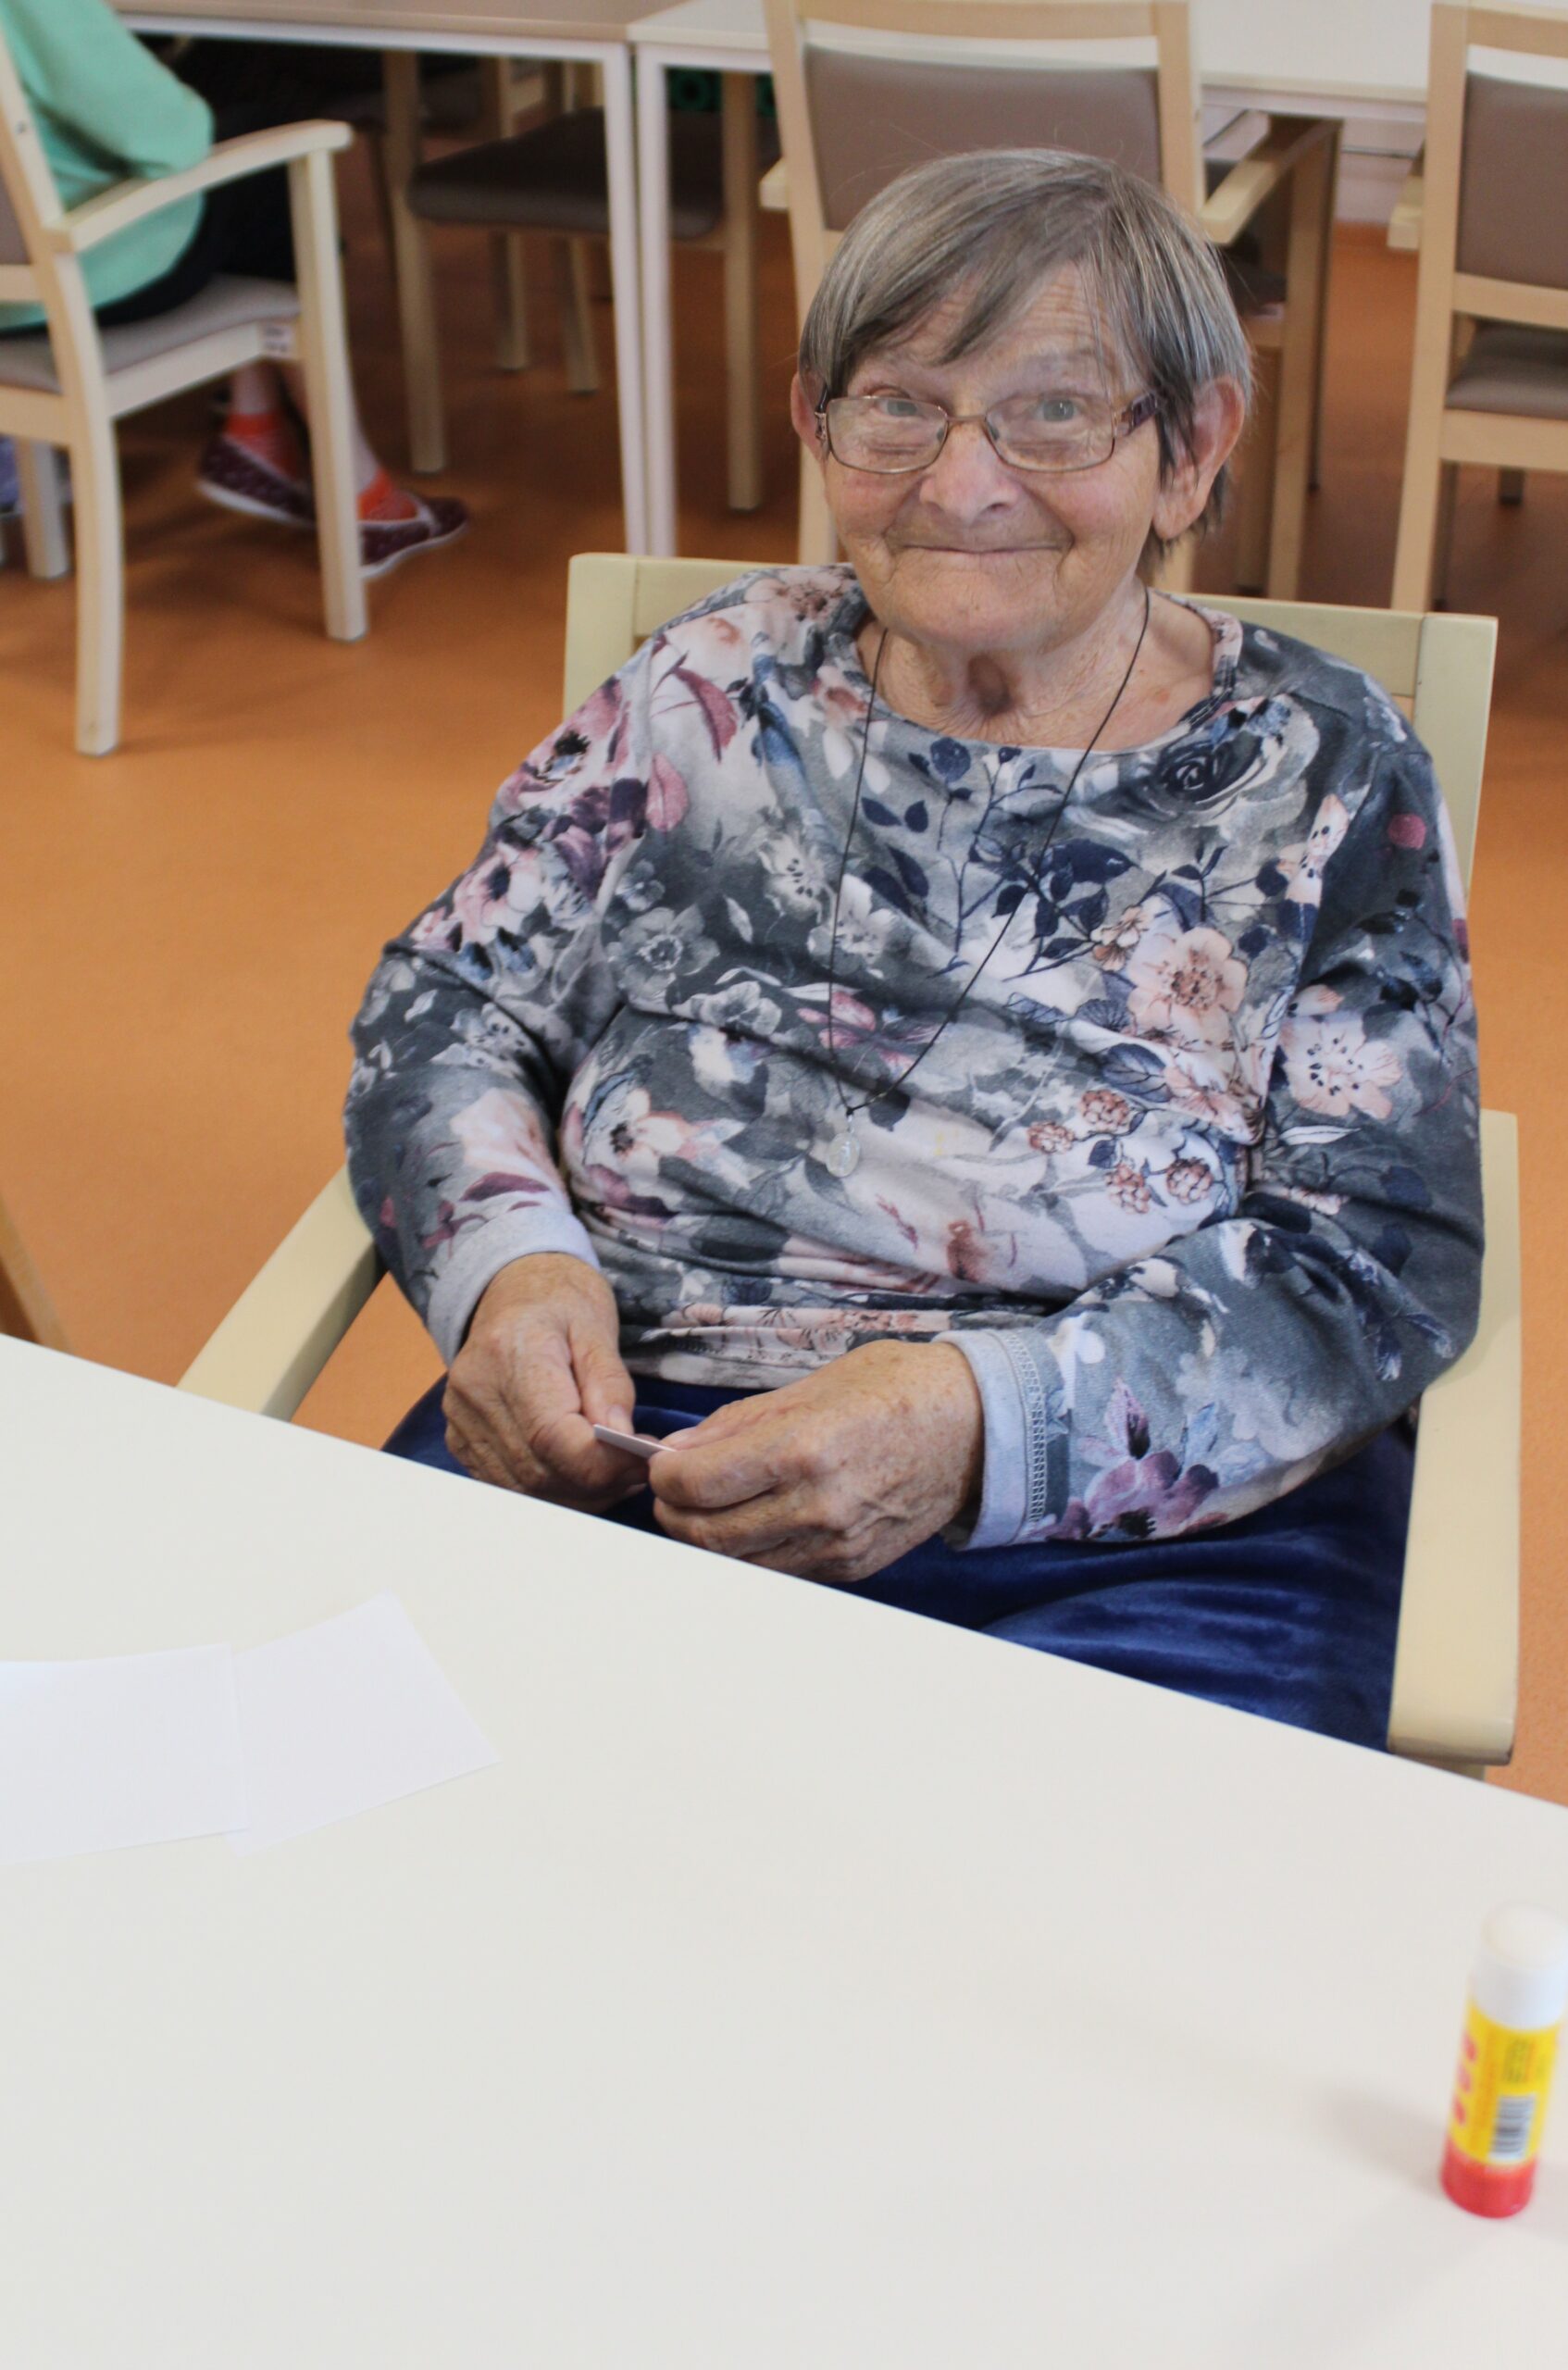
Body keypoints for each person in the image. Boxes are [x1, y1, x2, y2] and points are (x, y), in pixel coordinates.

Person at [347, 149, 1483, 1749]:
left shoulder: (1323, 767)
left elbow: (1375, 1254)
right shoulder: (710, 685)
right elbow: (448, 1005)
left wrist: (973, 1422)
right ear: (815, 425)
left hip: (1135, 1519)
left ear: (1190, 449)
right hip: (628, 1440)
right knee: (380, 1833)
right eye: (896, 407)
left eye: (1052, 413)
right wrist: (511, 1271)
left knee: (1084, 1899)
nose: (959, 485)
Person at [0, 0, 465, 578]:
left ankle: (257, 428)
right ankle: (358, 491)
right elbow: (172, 136)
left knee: (239, 107)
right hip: (89, 274)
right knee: (272, 153)